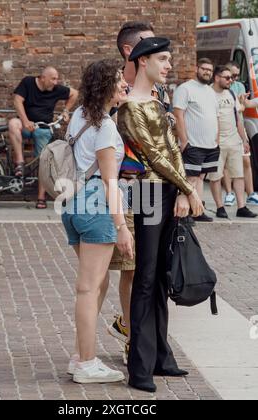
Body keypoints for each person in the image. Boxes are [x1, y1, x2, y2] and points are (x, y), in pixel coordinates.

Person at [117, 37, 204, 392]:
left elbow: (173, 149)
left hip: (169, 189)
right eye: (163, 59)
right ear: (142, 62)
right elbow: (153, 154)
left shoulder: (157, 100)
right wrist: (188, 187)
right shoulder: (130, 108)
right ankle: (140, 368)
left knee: (162, 277)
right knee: (146, 278)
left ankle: (161, 358)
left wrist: (183, 191)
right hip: (148, 191)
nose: (168, 65)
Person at [61, 59, 134, 384]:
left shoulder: (79, 116)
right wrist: (122, 227)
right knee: (88, 288)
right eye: (119, 80)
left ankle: (80, 356)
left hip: (72, 204)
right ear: (106, 86)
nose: (124, 85)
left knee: (95, 284)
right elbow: (108, 182)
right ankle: (87, 363)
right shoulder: (104, 126)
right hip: (95, 205)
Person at [108, 22, 155, 363]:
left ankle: (129, 324)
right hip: (124, 187)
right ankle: (130, 340)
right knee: (129, 265)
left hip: (152, 189)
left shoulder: (157, 89)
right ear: (130, 50)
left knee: (147, 266)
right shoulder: (111, 87)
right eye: (150, 45)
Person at [8, 66, 78, 209]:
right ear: (43, 77)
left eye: (56, 79)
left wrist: (66, 110)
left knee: (44, 163)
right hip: (26, 125)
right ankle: (20, 163)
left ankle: (41, 197)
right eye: (52, 78)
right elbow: (17, 100)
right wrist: (26, 121)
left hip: (44, 128)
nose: (55, 82)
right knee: (13, 123)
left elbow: (74, 93)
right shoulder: (28, 82)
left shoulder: (55, 89)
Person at [173, 58, 220, 222]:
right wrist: (184, 140)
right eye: (204, 68)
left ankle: (197, 211)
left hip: (211, 145)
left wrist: (217, 140)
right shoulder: (185, 89)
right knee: (190, 179)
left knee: (200, 178)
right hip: (193, 144)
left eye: (210, 70)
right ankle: (185, 213)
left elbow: (216, 117)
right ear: (196, 69)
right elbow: (178, 115)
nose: (207, 72)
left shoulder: (211, 92)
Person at [208, 65, 257, 219]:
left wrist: (243, 139)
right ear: (217, 78)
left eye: (232, 77)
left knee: (238, 175)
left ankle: (241, 207)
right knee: (215, 176)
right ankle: (219, 207)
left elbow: (238, 119)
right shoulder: (208, 94)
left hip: (234, 141)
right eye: (227, 78)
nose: (231, 80)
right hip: (216, 143)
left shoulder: (230, 93)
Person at [222, 61, 258, 206]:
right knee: (226, 163)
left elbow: (245, 105)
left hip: (239, 128)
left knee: (246, 161)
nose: (235, 78)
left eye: (237, 75)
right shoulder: (220, 89)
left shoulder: (239, 86)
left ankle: (250, 194)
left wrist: (242, 103)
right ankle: (229, 194)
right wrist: (242, 104)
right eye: (232, 75)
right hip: (226, 130)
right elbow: (245, 106)